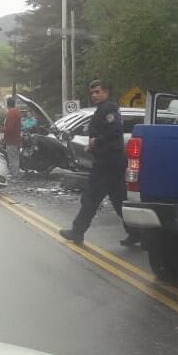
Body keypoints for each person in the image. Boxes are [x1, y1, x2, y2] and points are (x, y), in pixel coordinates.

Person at [60, 80, 140, 247]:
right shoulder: (103, 109)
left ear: (106, 92)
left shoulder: (108, 109)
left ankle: (77, 232)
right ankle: (137, 234)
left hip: (107, 164)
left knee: (90, 198)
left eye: (97, 92)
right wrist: (93, 146)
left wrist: (97, 142)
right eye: (92, 93)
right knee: (119, 201)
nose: (94, 95)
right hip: (111, 163)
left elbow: (116, 130)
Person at [2, 96, 22, 180]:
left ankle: (15, 176)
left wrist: (1, 130)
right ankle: (16, 173)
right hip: (17, 138)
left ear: (7, 104)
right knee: (16, 158)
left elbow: (10, 128)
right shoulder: (17, 112)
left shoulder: (10, 113)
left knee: (12, 158)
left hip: (11, 140)